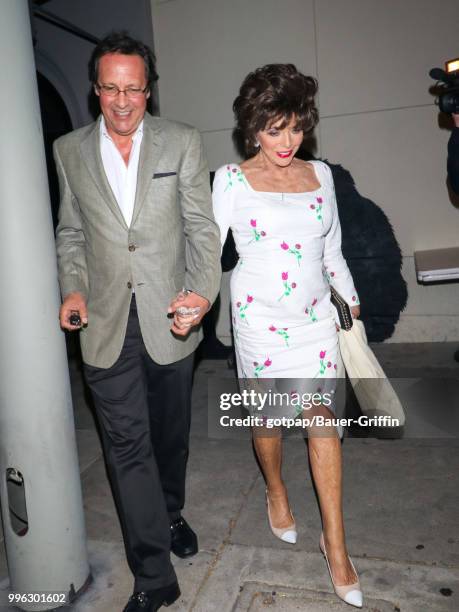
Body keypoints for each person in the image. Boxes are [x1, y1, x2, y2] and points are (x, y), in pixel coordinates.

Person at [54, 32, 221, 612]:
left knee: (168, 440)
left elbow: (202, 227)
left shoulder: (181, 142)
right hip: (103, 322)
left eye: (133, 89)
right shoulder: (68, 150)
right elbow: (71, 231)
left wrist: (201, 293)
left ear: (148, 90)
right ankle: (154, 575)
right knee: (126, 448)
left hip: (170, 314)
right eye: (110, 88)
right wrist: (72, 287)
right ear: (95, 88)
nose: (122, 102)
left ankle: (170, 512)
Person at [212, 64, 363, 608]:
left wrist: (349, 298)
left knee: (323, 424)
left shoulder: (320, 176)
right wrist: (193, 299)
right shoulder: (230, 181)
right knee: (271, 423)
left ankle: (337, 545)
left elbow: (332, 250)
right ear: (253, 128)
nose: (286, 140)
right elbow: (209, 252)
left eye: (295, 127)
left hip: (316, 320)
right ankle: (276, 490)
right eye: (274, 129)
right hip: (259, 322)